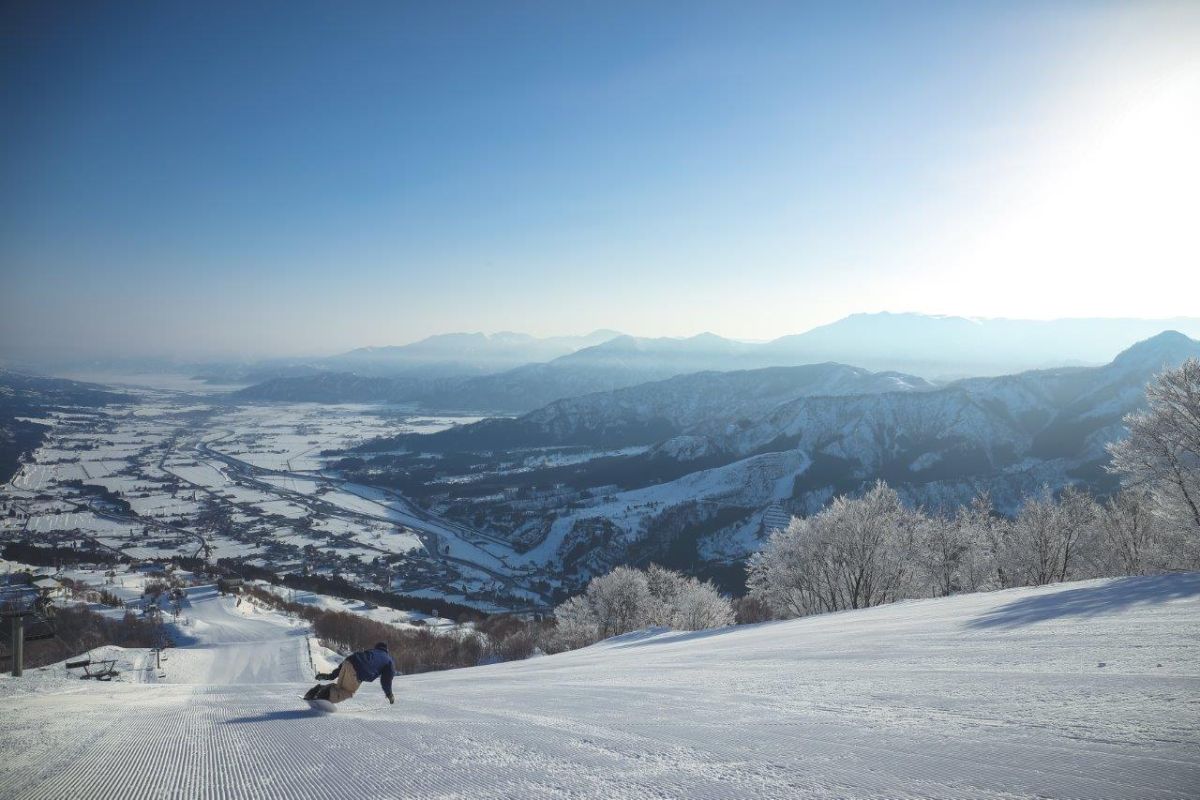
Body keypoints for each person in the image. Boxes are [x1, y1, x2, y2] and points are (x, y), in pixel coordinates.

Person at [305, 642, 396, 704]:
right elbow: (386, 680)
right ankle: (322, 697)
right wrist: (389, 694)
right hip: (358, 672)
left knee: (338, 688)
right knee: (347, 692)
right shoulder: (389, 660)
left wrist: (332, 676)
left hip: (348, 662)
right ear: (386, 650)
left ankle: (314, 691)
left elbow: (352, 658)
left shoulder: (371, 651)